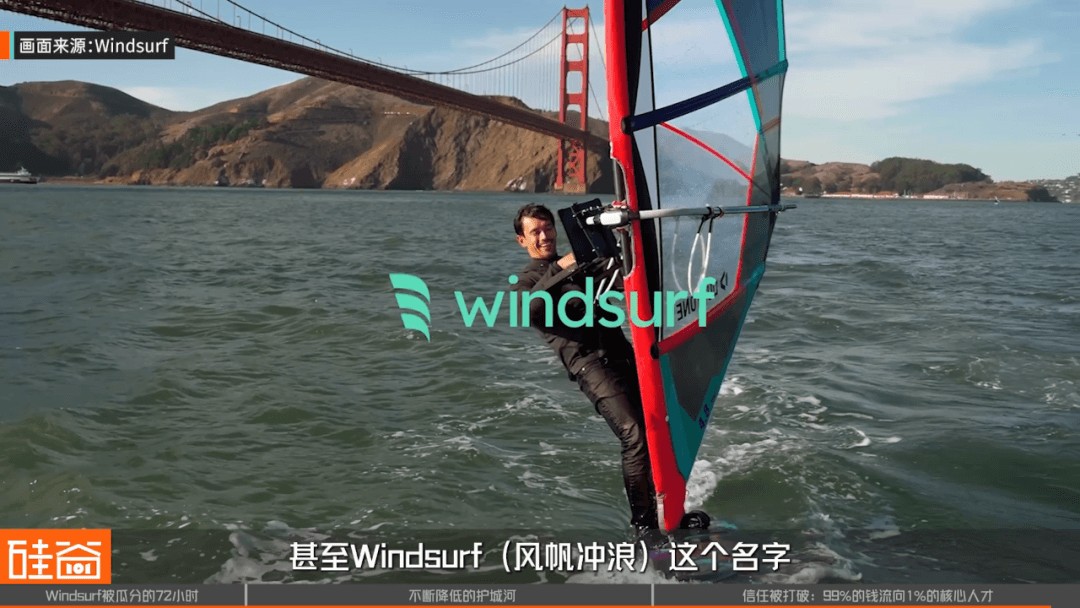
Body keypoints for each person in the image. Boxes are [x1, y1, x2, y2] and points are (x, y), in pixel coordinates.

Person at [512, 202, 659, 534]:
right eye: (535, 232)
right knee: (634, 434)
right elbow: (530, 309)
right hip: (592, 368)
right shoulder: (527, 281)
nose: (544, 236)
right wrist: (562, 266)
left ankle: (668, 507)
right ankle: (645, 529)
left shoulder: (582, 265)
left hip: (624, 355)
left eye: (548, 228)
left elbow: (626, 274)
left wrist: (623, 233)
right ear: (522, 240)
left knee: (657, 429)